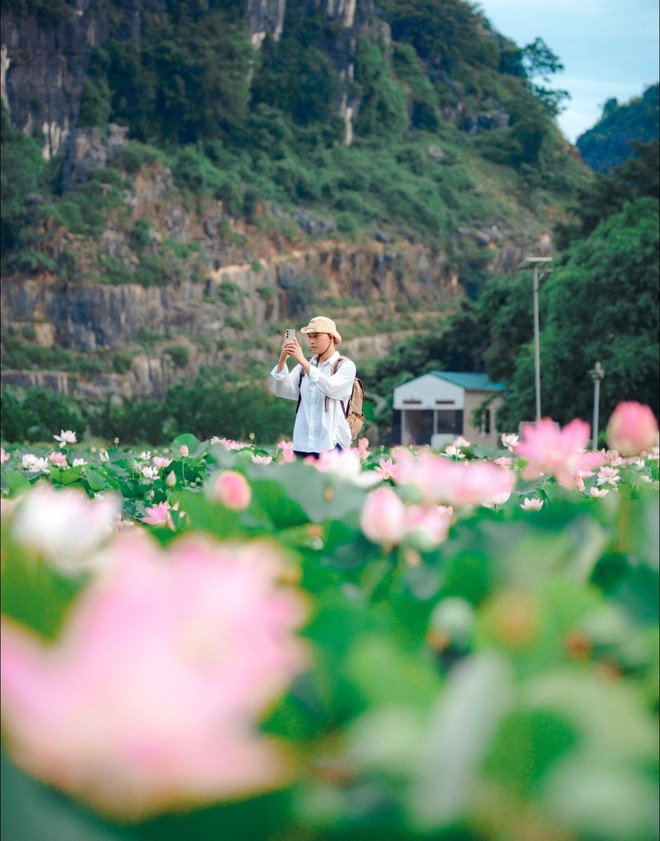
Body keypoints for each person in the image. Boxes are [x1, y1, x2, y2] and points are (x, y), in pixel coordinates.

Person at [271, 315, 356, 459]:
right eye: (310, 336)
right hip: (302, 444)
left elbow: (330, 388)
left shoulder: (345, 366)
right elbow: (281, 391)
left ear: (330, 337)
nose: (311, 341)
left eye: (316, 336)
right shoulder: (303, 367)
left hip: (331, 444)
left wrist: (303, 361)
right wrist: (282, 359)